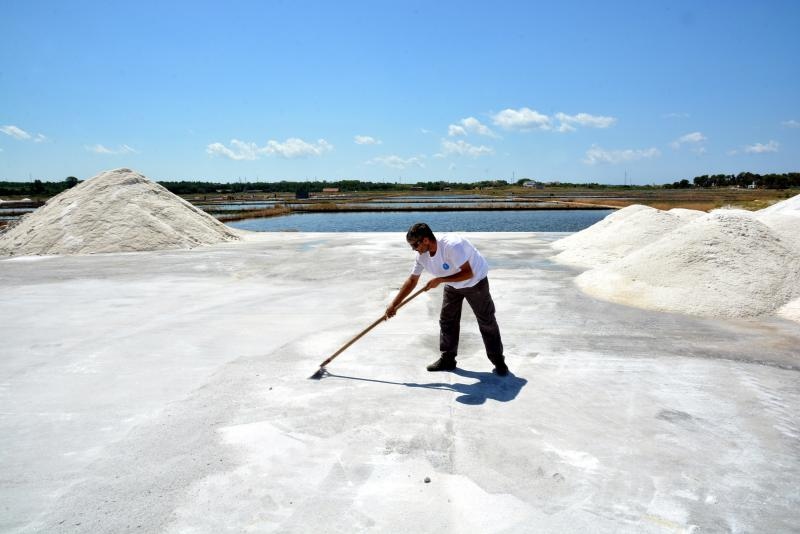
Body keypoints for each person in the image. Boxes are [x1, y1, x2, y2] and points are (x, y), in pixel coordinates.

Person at [385, 223, 508, 376]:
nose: (414, 249)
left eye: (415, 245)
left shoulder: (451, 245)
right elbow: (412, 280)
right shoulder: (421, 256)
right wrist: (394, 305)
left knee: (486, 320)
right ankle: (448, 359)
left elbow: (468, 273)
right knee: (447, 320)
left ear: (425, 240)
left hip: (475, 282)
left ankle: (499, 361)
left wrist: (441, 280)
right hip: (452, 284)